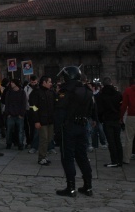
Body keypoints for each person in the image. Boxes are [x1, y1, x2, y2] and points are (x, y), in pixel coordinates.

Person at [55, 66, 94, 197]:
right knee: (82, 156)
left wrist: (57, 132)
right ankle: (88, 186)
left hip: (69, 127)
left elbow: (60, 112)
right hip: (82, 126)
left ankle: (70, 188)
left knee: (68, 158)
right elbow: (91, 110)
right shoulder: (87, 90)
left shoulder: (66, 91)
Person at [96, 77, 123, 167]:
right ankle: (120, 159)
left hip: (107, 120)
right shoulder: (118, 94)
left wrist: (100, 119)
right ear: (111, 83)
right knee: (117, 140)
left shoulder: (101, 95)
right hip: (116, 119)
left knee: (111, 142)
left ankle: (114, 160)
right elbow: (121, 107)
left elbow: (99, 110)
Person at [29, 76, 55, 166]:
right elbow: (34, 107)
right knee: (43, 139)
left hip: (50, 120)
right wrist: (36, 120)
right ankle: (41, 158)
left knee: (49, 139)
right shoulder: (36, 93)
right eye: (49, 82)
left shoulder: (51, 92)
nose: (51, 83)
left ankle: (45, 155)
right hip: (41, 120)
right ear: (44, 82)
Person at [4, 79, 27, 150]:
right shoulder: (9, 92)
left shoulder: (22, 92)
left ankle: (20, 144)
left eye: (12, 83)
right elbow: (6, 103)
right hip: (10, 115)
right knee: (9, 130)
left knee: (20, 130)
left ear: (16, 84)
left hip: (19, 115)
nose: (11, 84)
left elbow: (24, 104)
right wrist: (7, 113)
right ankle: (8, 143)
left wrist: (21, 114)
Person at [120, 77, 135, 165]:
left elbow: (124, 106)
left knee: (129, 138)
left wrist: (121, 117)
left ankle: (126, 158)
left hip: (132, 116)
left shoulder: (128, 91)